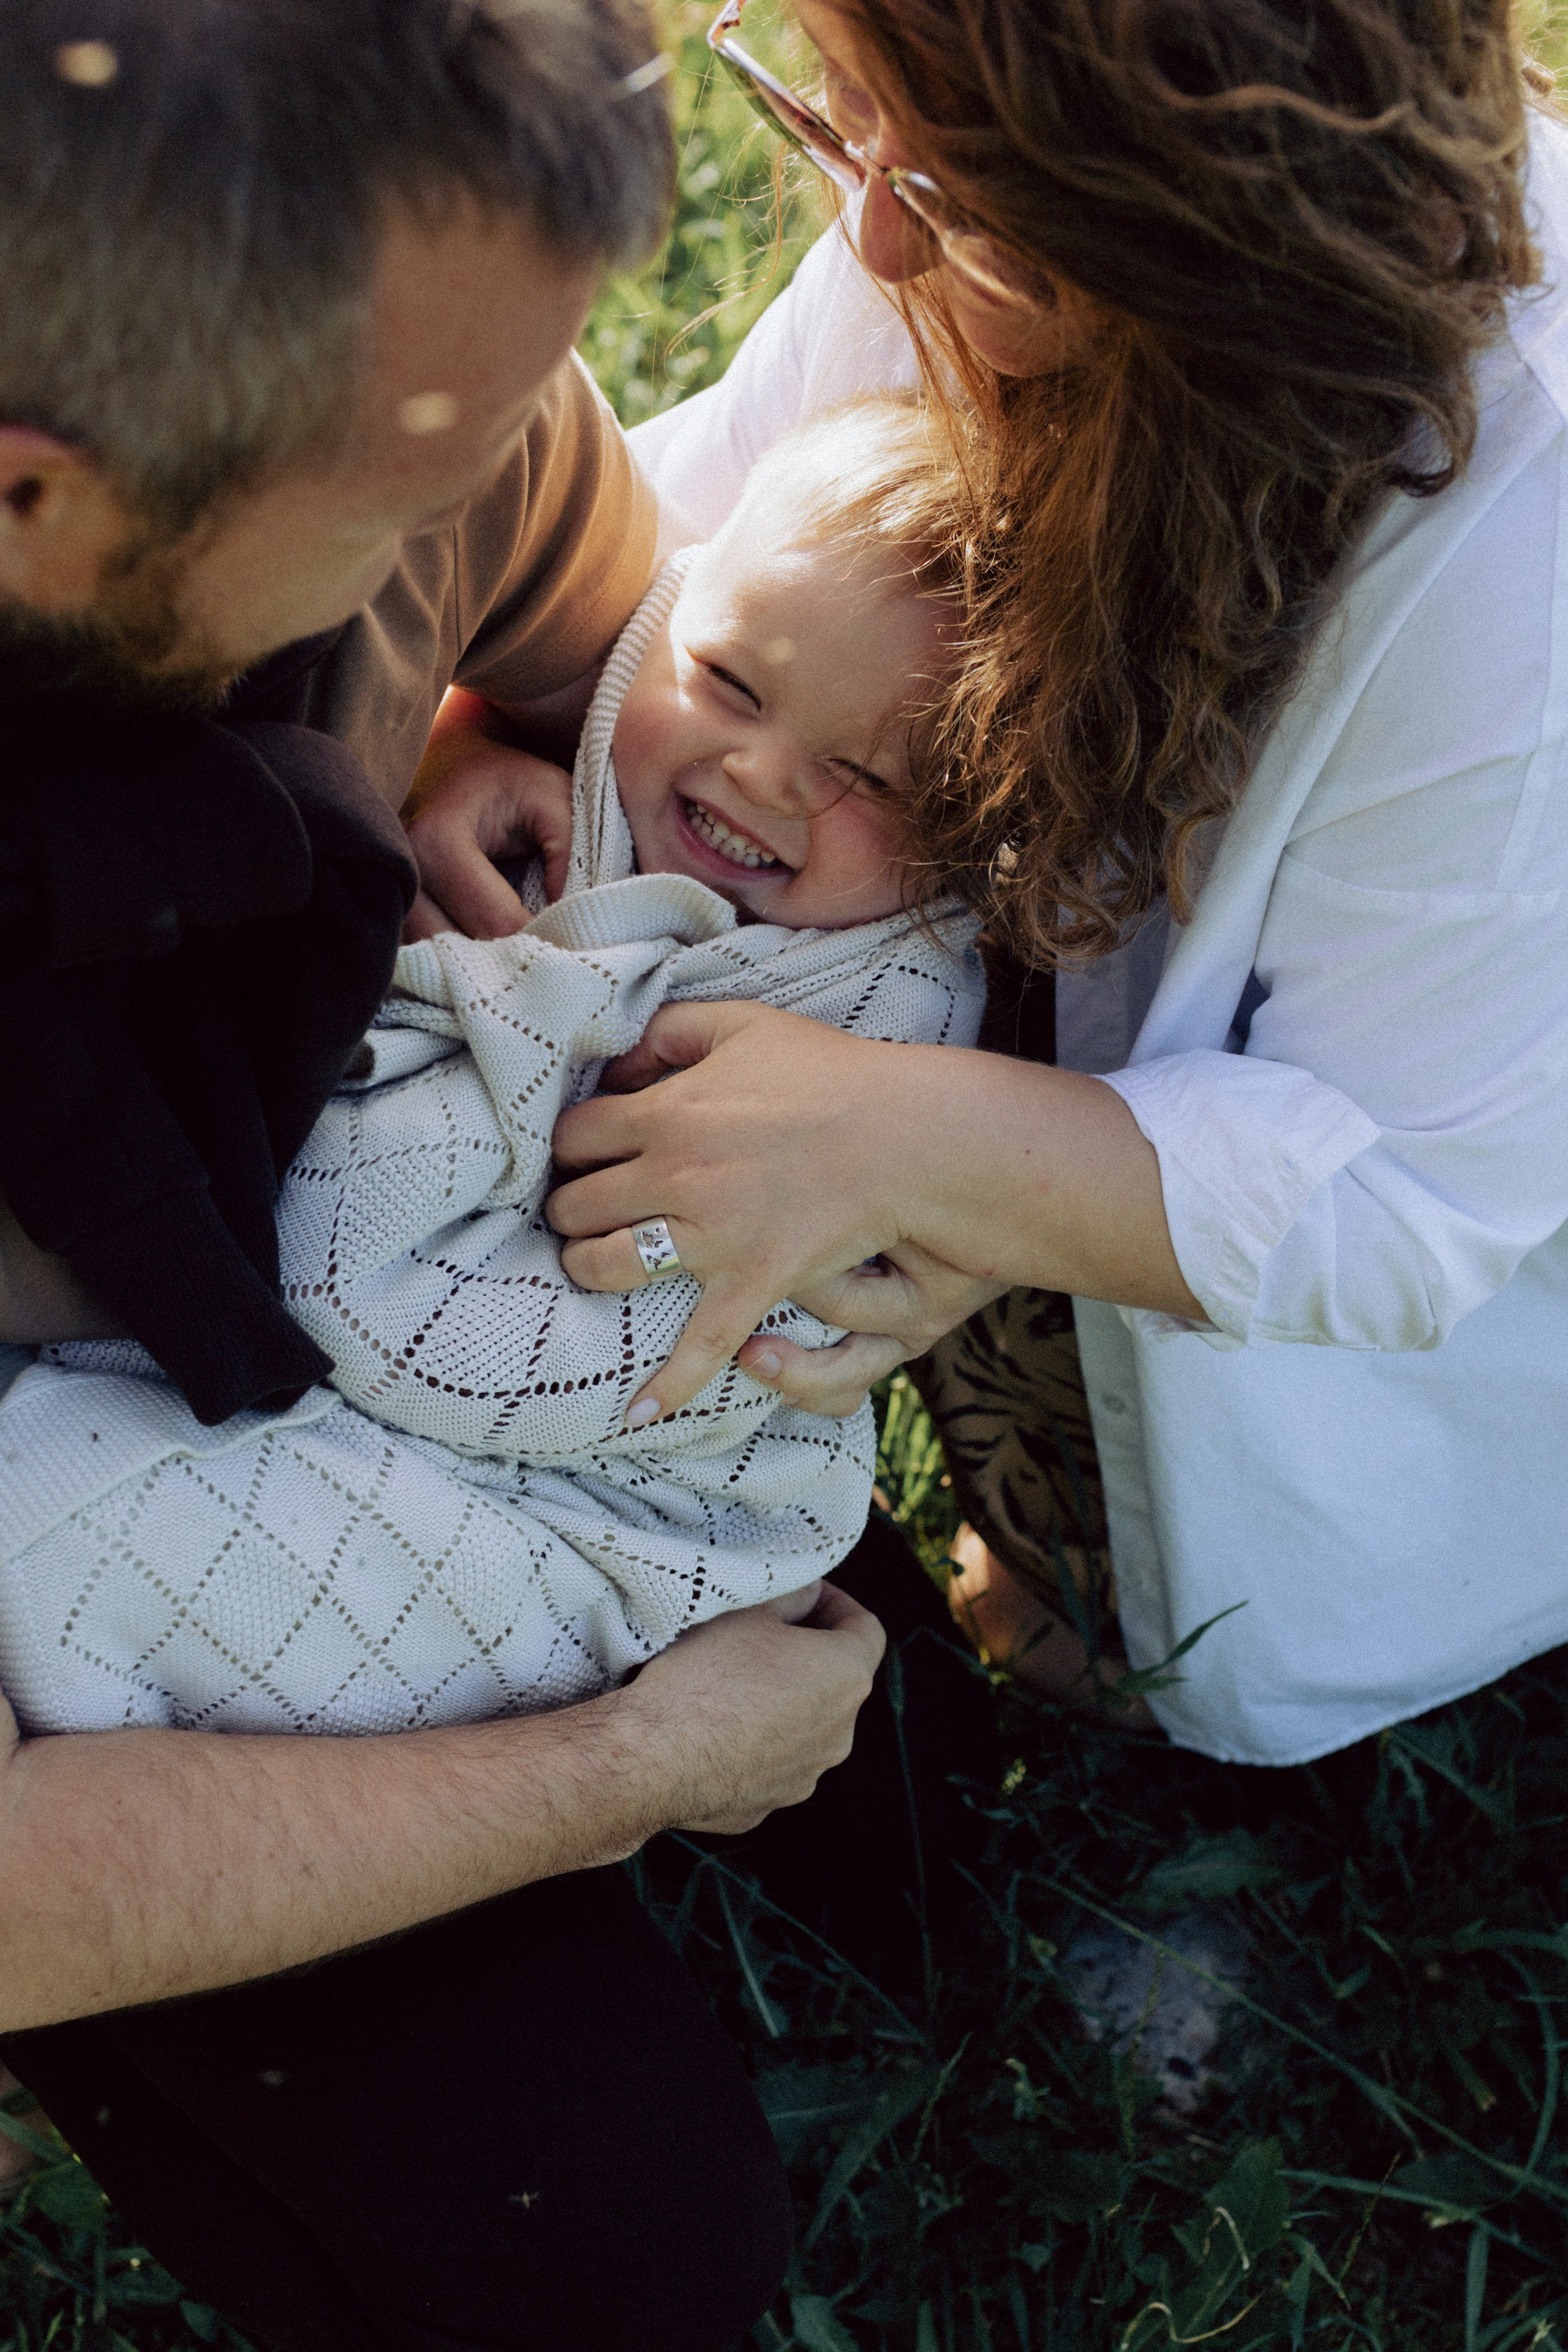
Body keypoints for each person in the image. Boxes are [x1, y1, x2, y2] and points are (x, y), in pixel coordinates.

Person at [0, 10, 924, 2350]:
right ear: (34, 499)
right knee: (598, 2262)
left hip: (380, 1260)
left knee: (894, 1736)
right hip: (59, 1542)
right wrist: (609, 1771)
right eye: (420, 495)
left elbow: (604, 622)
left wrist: (491, 750)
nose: (518, 473)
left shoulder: (401, 386)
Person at [413, 0, 1568, 1770]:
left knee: (1155, 1635)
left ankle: (1099, 1594)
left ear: (1222, 219)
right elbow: (699, 538)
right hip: (979, 965)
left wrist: (912, 1140)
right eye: (855, 120)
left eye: (963, 197)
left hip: (1379, 1215)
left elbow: (1405, 1190)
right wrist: (510, 718)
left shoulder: (1523, 541)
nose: (871, 235)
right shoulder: (943, 226)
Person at [1, 404, 986, 1737]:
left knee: (50, 1545)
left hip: (602, 1514)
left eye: (864, 776)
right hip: (347, 1375)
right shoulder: (595, 799)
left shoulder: (870, 1034)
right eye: (731, 684)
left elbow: (633, 1354)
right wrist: (459, 745)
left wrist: (486, 1001)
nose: (758, 772)